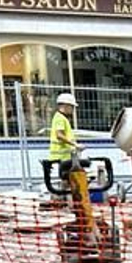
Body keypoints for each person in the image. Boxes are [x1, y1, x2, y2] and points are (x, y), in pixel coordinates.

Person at [47, 92, 91, 228]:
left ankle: (72, 206)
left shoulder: (60, 118)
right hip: (63, 157)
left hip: (64, 156)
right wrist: (75, 145)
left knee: (68, 182)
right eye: (71, 107)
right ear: (65, 106)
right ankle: (75, 207)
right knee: (74, 181)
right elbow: (59, 135)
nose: (72, 110)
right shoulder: (60, 118)